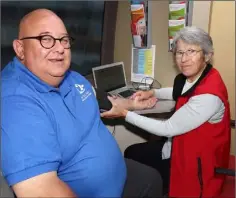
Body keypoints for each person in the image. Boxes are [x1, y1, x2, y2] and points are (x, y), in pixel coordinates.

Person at [1, 9, 162, 197]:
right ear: (20, 48)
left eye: (64, 40)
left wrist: (133, 104)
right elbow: (42, 191)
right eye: (46, 39)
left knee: (152, 178)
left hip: (118, 178)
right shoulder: (15, 102)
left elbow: (101, 97)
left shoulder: (70, 77)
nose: (60, 48)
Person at [101, 26, 231, 197]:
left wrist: (125, 113)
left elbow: (167, 128)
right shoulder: (199, 77)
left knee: (135, 158)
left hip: (196, 163)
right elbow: (178, 91)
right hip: (178, 147)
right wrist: (152, 92)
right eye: (179, 52)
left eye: (191, 51)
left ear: (206, 55)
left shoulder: (208, 96)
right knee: (133, 152)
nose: (184, 59)